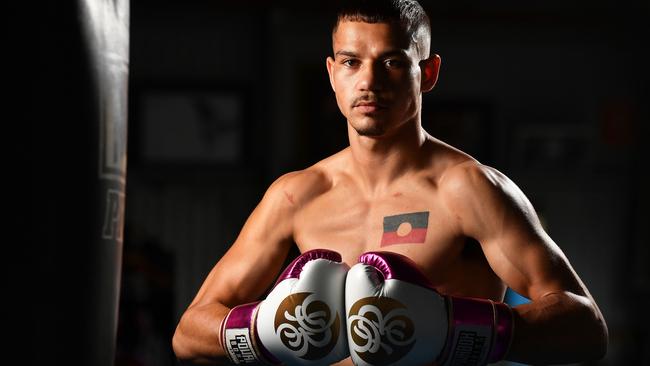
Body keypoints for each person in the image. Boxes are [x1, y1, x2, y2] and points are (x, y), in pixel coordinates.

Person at [172, 1, 608, 365]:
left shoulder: (467, 189)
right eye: (351, 62)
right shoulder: (295, 196)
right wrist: (269, 329)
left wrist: (449, 328)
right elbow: (189, 334)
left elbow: (585, 328)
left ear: (429, 73)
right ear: (331, 73)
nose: (368, 82)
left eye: (393, 62)